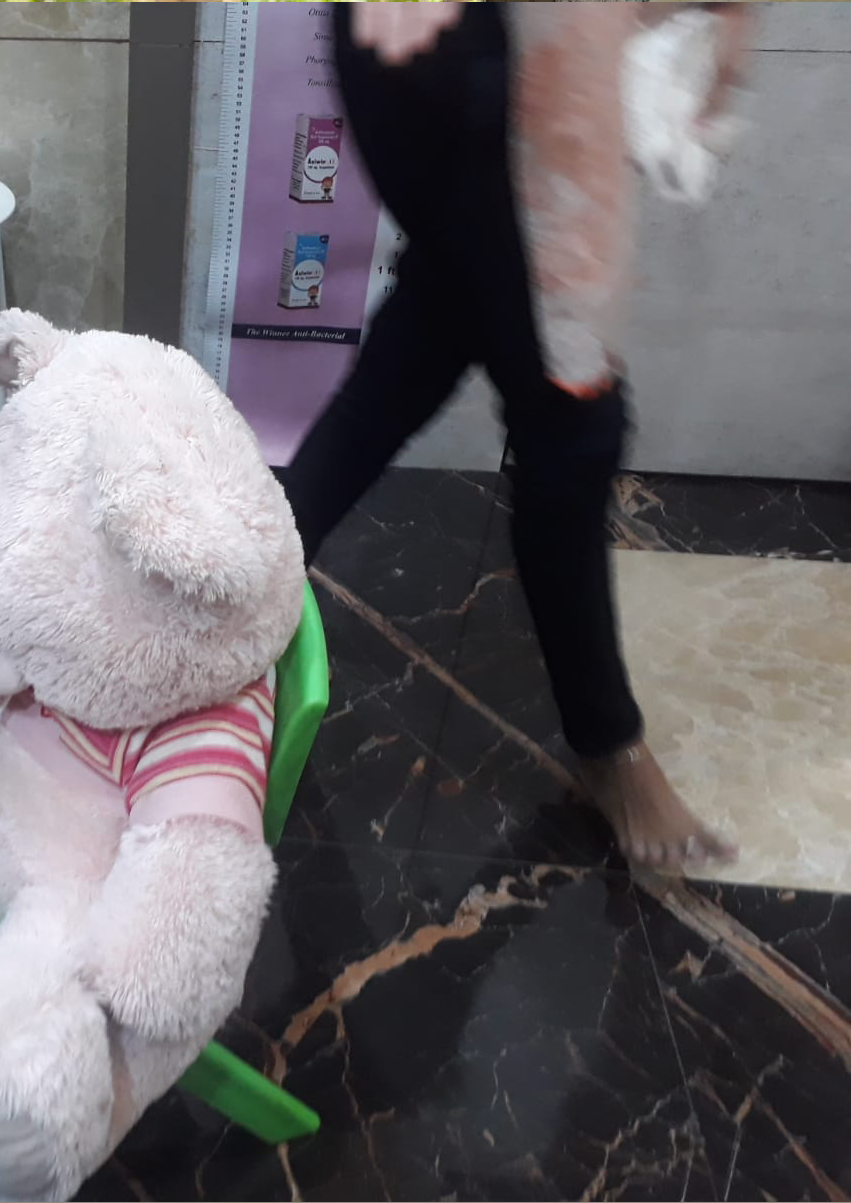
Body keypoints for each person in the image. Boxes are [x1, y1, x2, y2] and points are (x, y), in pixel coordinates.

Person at [281, 4, 748, 873]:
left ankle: (237, 579)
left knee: (429, 333)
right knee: (570, 417)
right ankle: (610, 747)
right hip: (477, 50)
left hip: (476, 49)